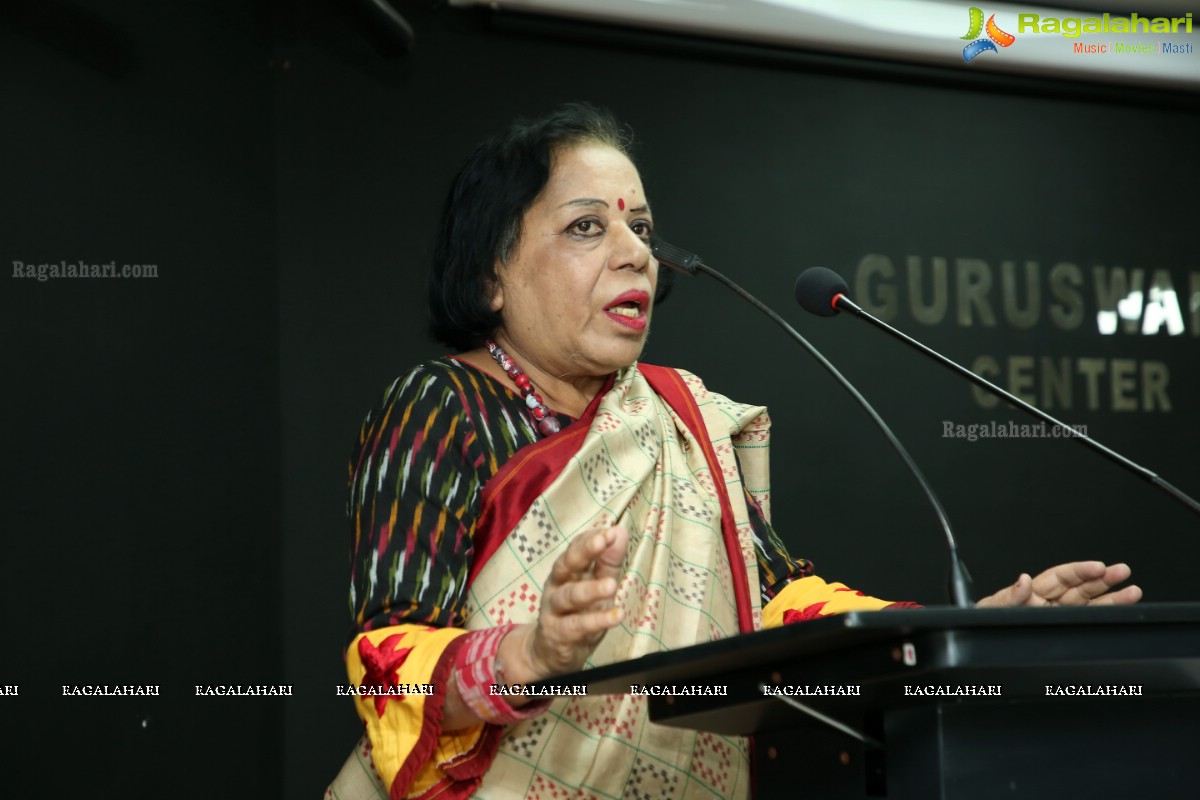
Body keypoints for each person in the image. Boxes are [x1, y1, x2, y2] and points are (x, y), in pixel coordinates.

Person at [327, 103, 1141, 800]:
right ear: (489, 276)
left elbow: (778, 608)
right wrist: (532, 653)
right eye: (587, 226)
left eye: (640, 227)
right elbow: (387, 664)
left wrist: (963, 633)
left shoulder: (679, 418)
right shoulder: (444, 406)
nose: (634, 250)